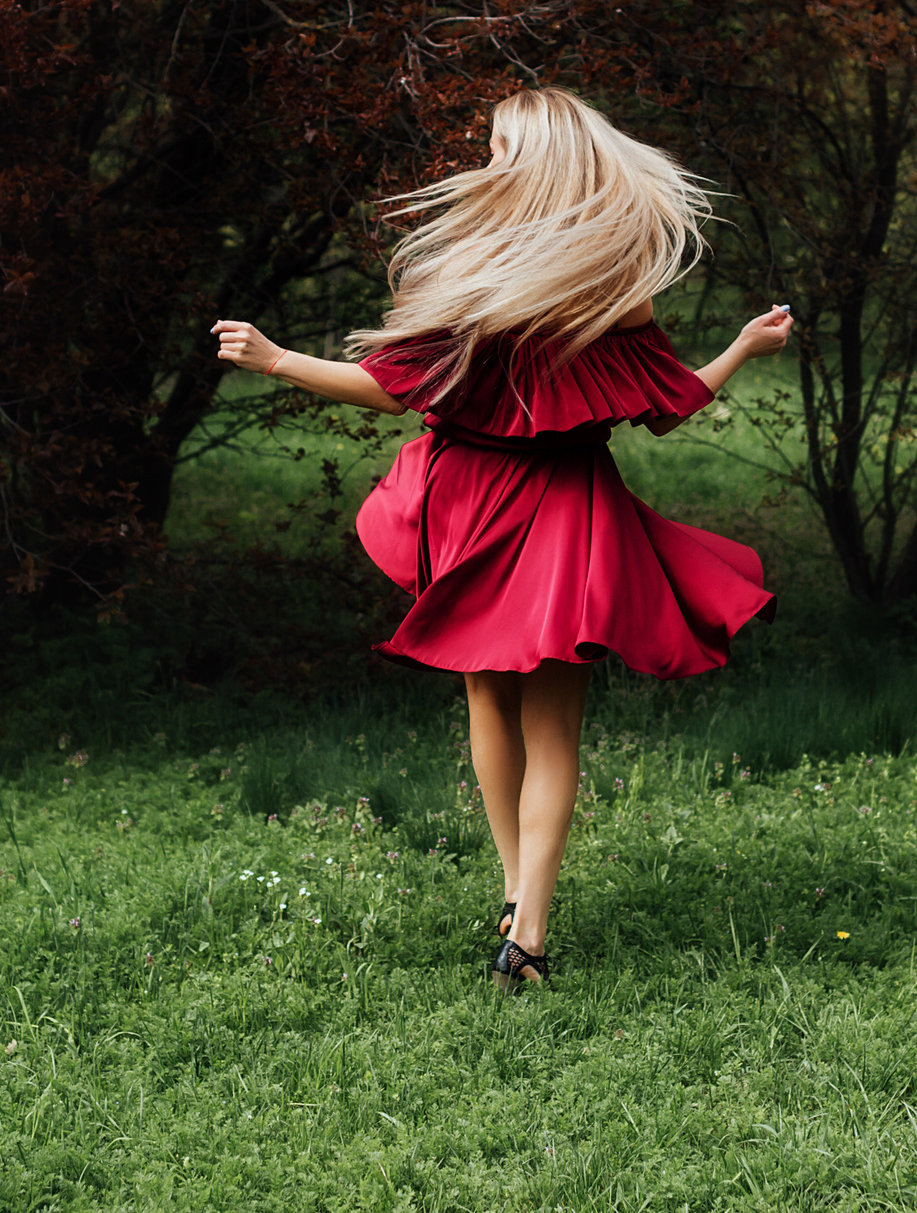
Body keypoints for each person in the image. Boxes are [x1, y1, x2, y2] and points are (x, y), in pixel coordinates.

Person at [211, 88, 790, 989]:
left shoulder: (476, 271)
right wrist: (741, 350)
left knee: (489, 699)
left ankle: (519, 903)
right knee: (553, 727)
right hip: (565, 512)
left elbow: (390, 387)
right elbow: (671, 410)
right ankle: (527, 928)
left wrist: (278, 359)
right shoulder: (610, 286)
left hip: (472, 501)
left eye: (496, 145)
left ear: (522, 158)